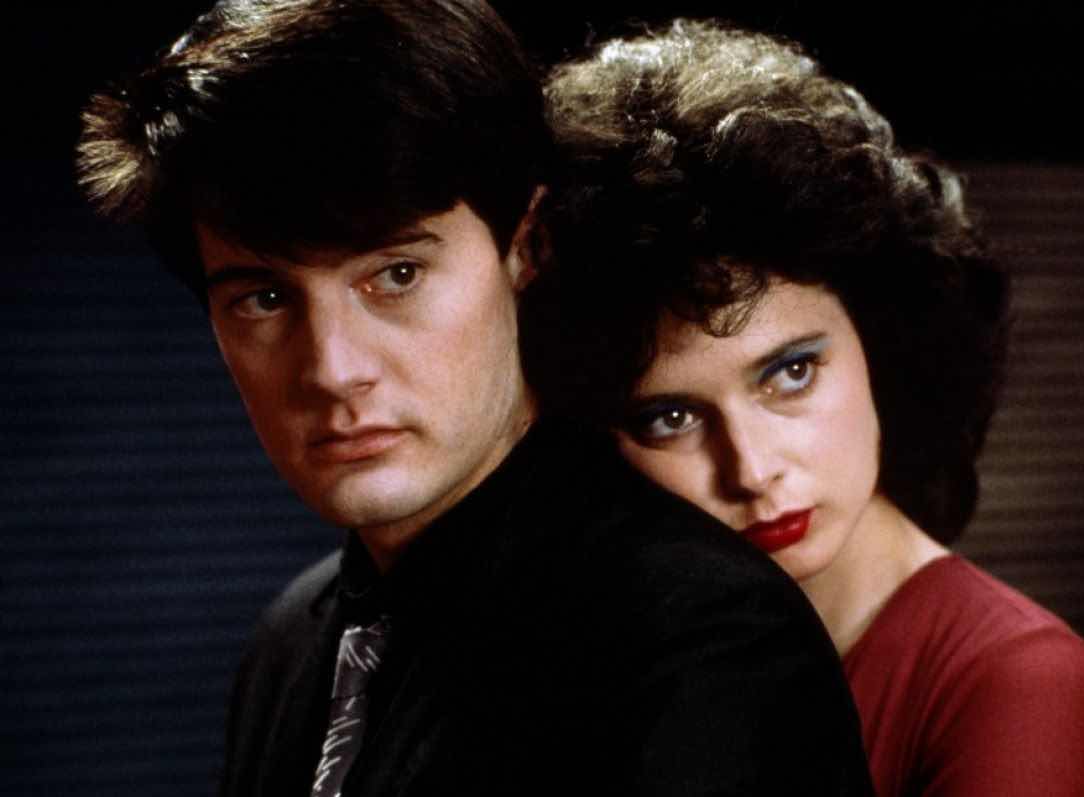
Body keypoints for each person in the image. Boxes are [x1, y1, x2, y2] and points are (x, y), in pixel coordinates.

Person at [76, 2, 875, 795]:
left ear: (528, 245)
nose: (332, 369)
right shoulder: (289, 643)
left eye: (397, 274)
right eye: (264, 298)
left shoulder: (701, 638)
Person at [523, 19, 1084, 797]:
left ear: (879, 341)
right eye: (670, 417)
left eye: (792, 372)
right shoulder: (624, 669)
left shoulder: (1022, 682)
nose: (752, 469)